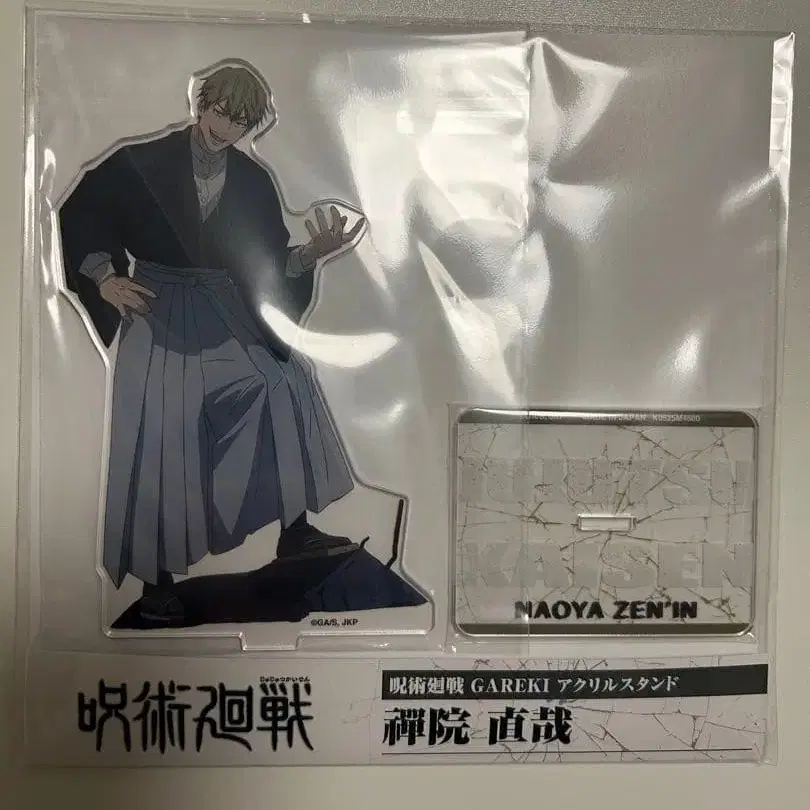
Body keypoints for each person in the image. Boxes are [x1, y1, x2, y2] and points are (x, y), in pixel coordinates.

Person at [59, 63, 365, 622]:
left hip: (224, 307)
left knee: (284, 381)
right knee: (161, 423)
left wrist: (311, 254)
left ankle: (294, 530)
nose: (225, 128)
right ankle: (155, 581)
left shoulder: (251, 180)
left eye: (239, 121)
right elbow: (82, 212)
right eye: (220, 112)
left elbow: (266, 261)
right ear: (202, 104)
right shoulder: (142, 160)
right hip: (156, 304)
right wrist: (103, 278)